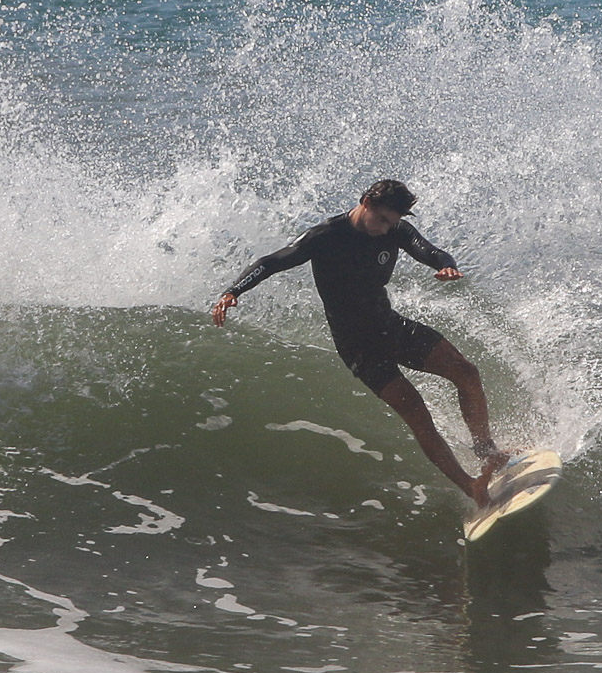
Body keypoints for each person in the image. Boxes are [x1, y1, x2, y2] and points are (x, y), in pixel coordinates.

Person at [210, 180, 506, 506]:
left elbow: (427, 248)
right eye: (381, 220)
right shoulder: (325, 236)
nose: (385, 229)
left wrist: (446, 265)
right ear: (365, 202)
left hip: (389, 327)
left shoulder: (394, 230)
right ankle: (472, 487)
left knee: (466, 372)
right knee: (418, 415)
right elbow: (273, 261)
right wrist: (232, 292)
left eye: (392, 223)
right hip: (358, 348)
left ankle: (486, 449)